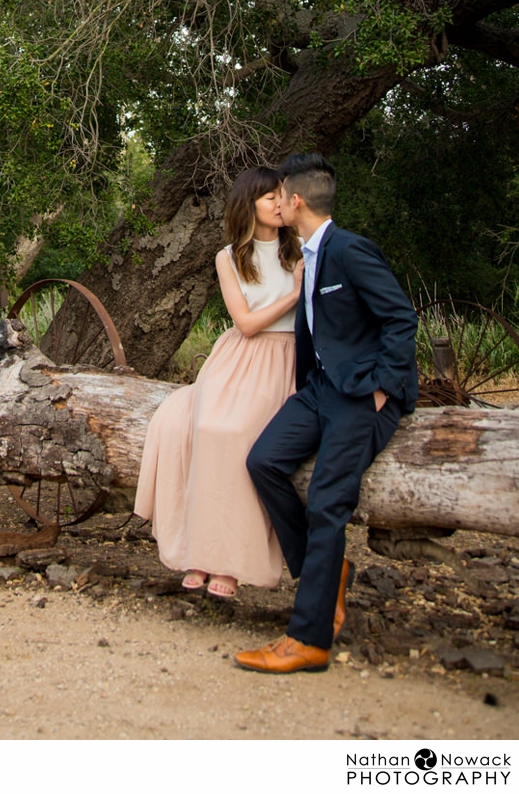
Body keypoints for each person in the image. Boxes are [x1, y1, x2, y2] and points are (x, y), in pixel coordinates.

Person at [236, 151, 418, 675]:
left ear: (296, 201)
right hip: (319, 390)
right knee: (263, 462)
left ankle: (307, 640)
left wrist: (383, 388)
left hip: (362, 396)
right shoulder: (307, 255)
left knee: (326, 502)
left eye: (281, 194)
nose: (276, 200)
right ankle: (327, 572)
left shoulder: (351, 250)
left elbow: (401, 319)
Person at [134, 166, 304, 600]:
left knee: (238, 434)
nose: (280, 204)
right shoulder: (228, 257)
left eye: (283, 197)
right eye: (271, 198)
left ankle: (231, 563)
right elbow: (244, 323)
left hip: (283, 358)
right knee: (204, 428)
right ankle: (200, 554)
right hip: (238, 356)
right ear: (250, 204)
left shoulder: (301, 250)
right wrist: (292, 295)